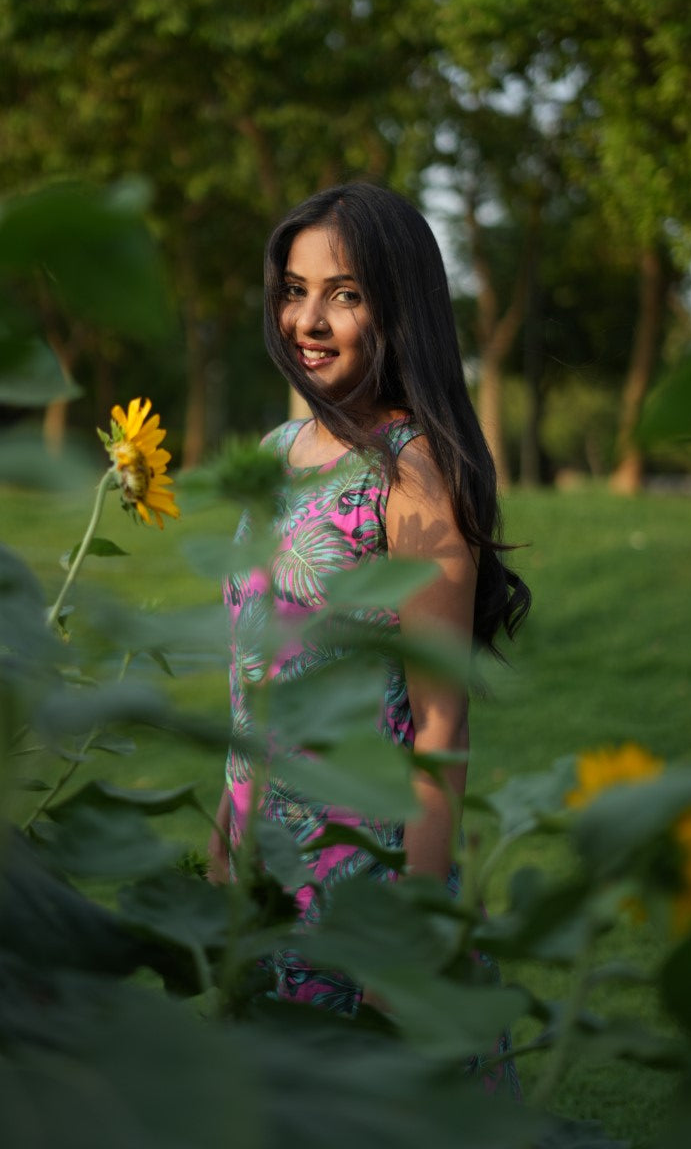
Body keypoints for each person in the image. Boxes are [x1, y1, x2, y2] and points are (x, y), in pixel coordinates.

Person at [208, 182, 530, 1083]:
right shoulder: (273, 456)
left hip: (368, 890)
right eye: (294, 289)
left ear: (397, 308)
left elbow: (441, 727)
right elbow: (252, 673)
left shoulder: (412, 474)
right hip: (266, 877)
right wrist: (224, 838)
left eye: (344, 294)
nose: (309, 319)